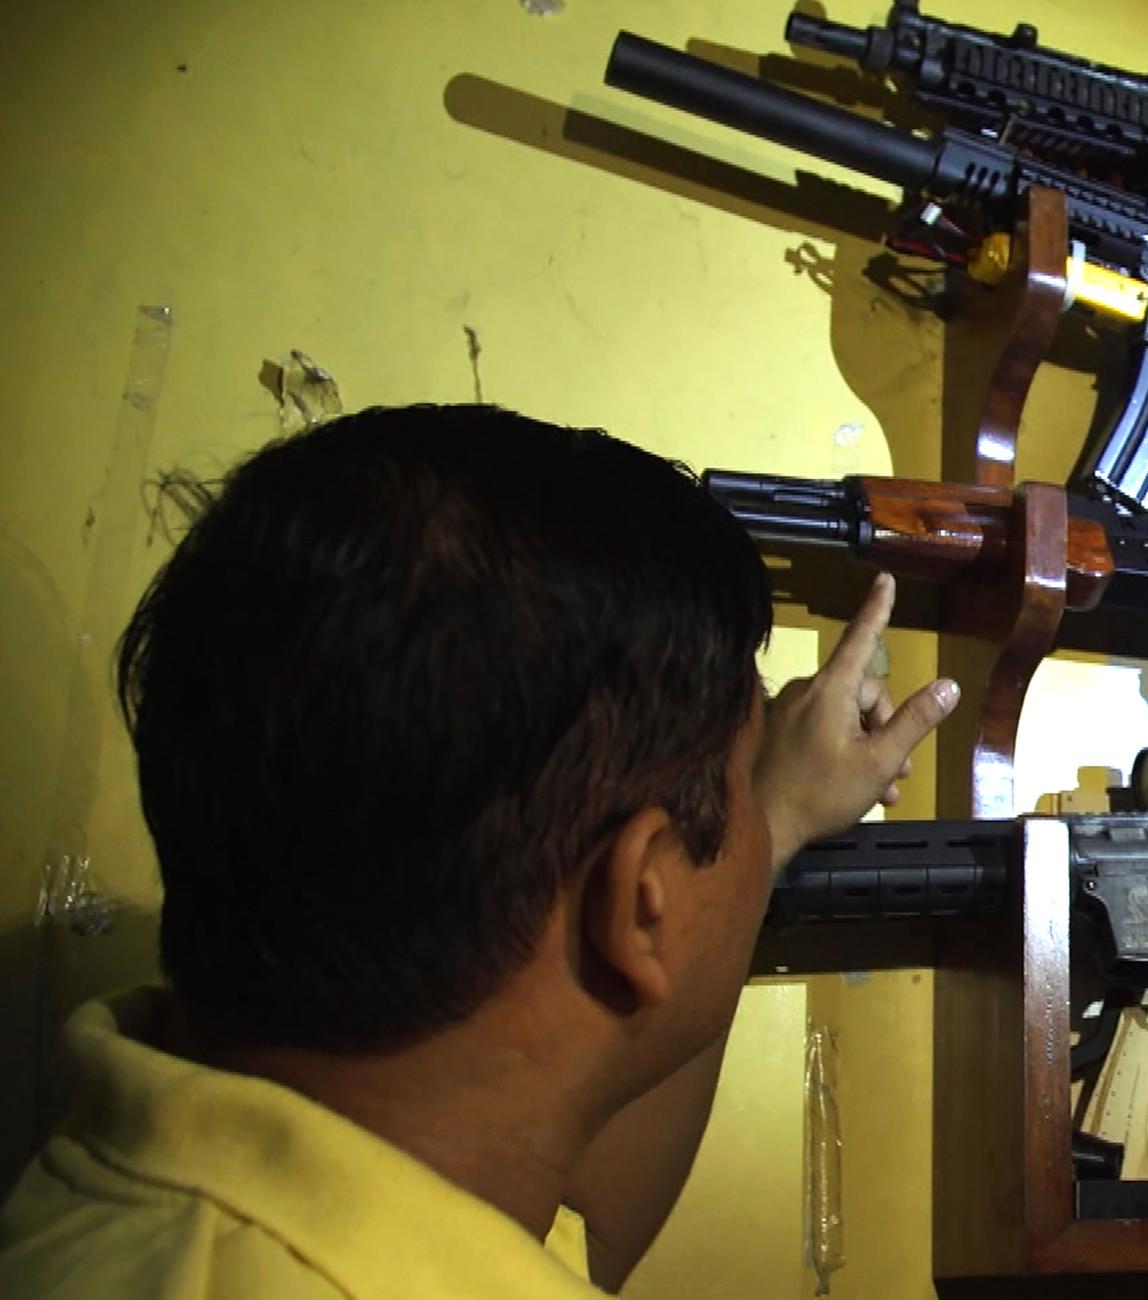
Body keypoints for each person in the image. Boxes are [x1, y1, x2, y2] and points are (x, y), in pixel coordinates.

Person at [0, 405, 957, 1296]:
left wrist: (775, 818)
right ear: (643, 901)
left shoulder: (152, 1176)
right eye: (742, 789)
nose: (754, 812)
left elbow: (582, 1231)